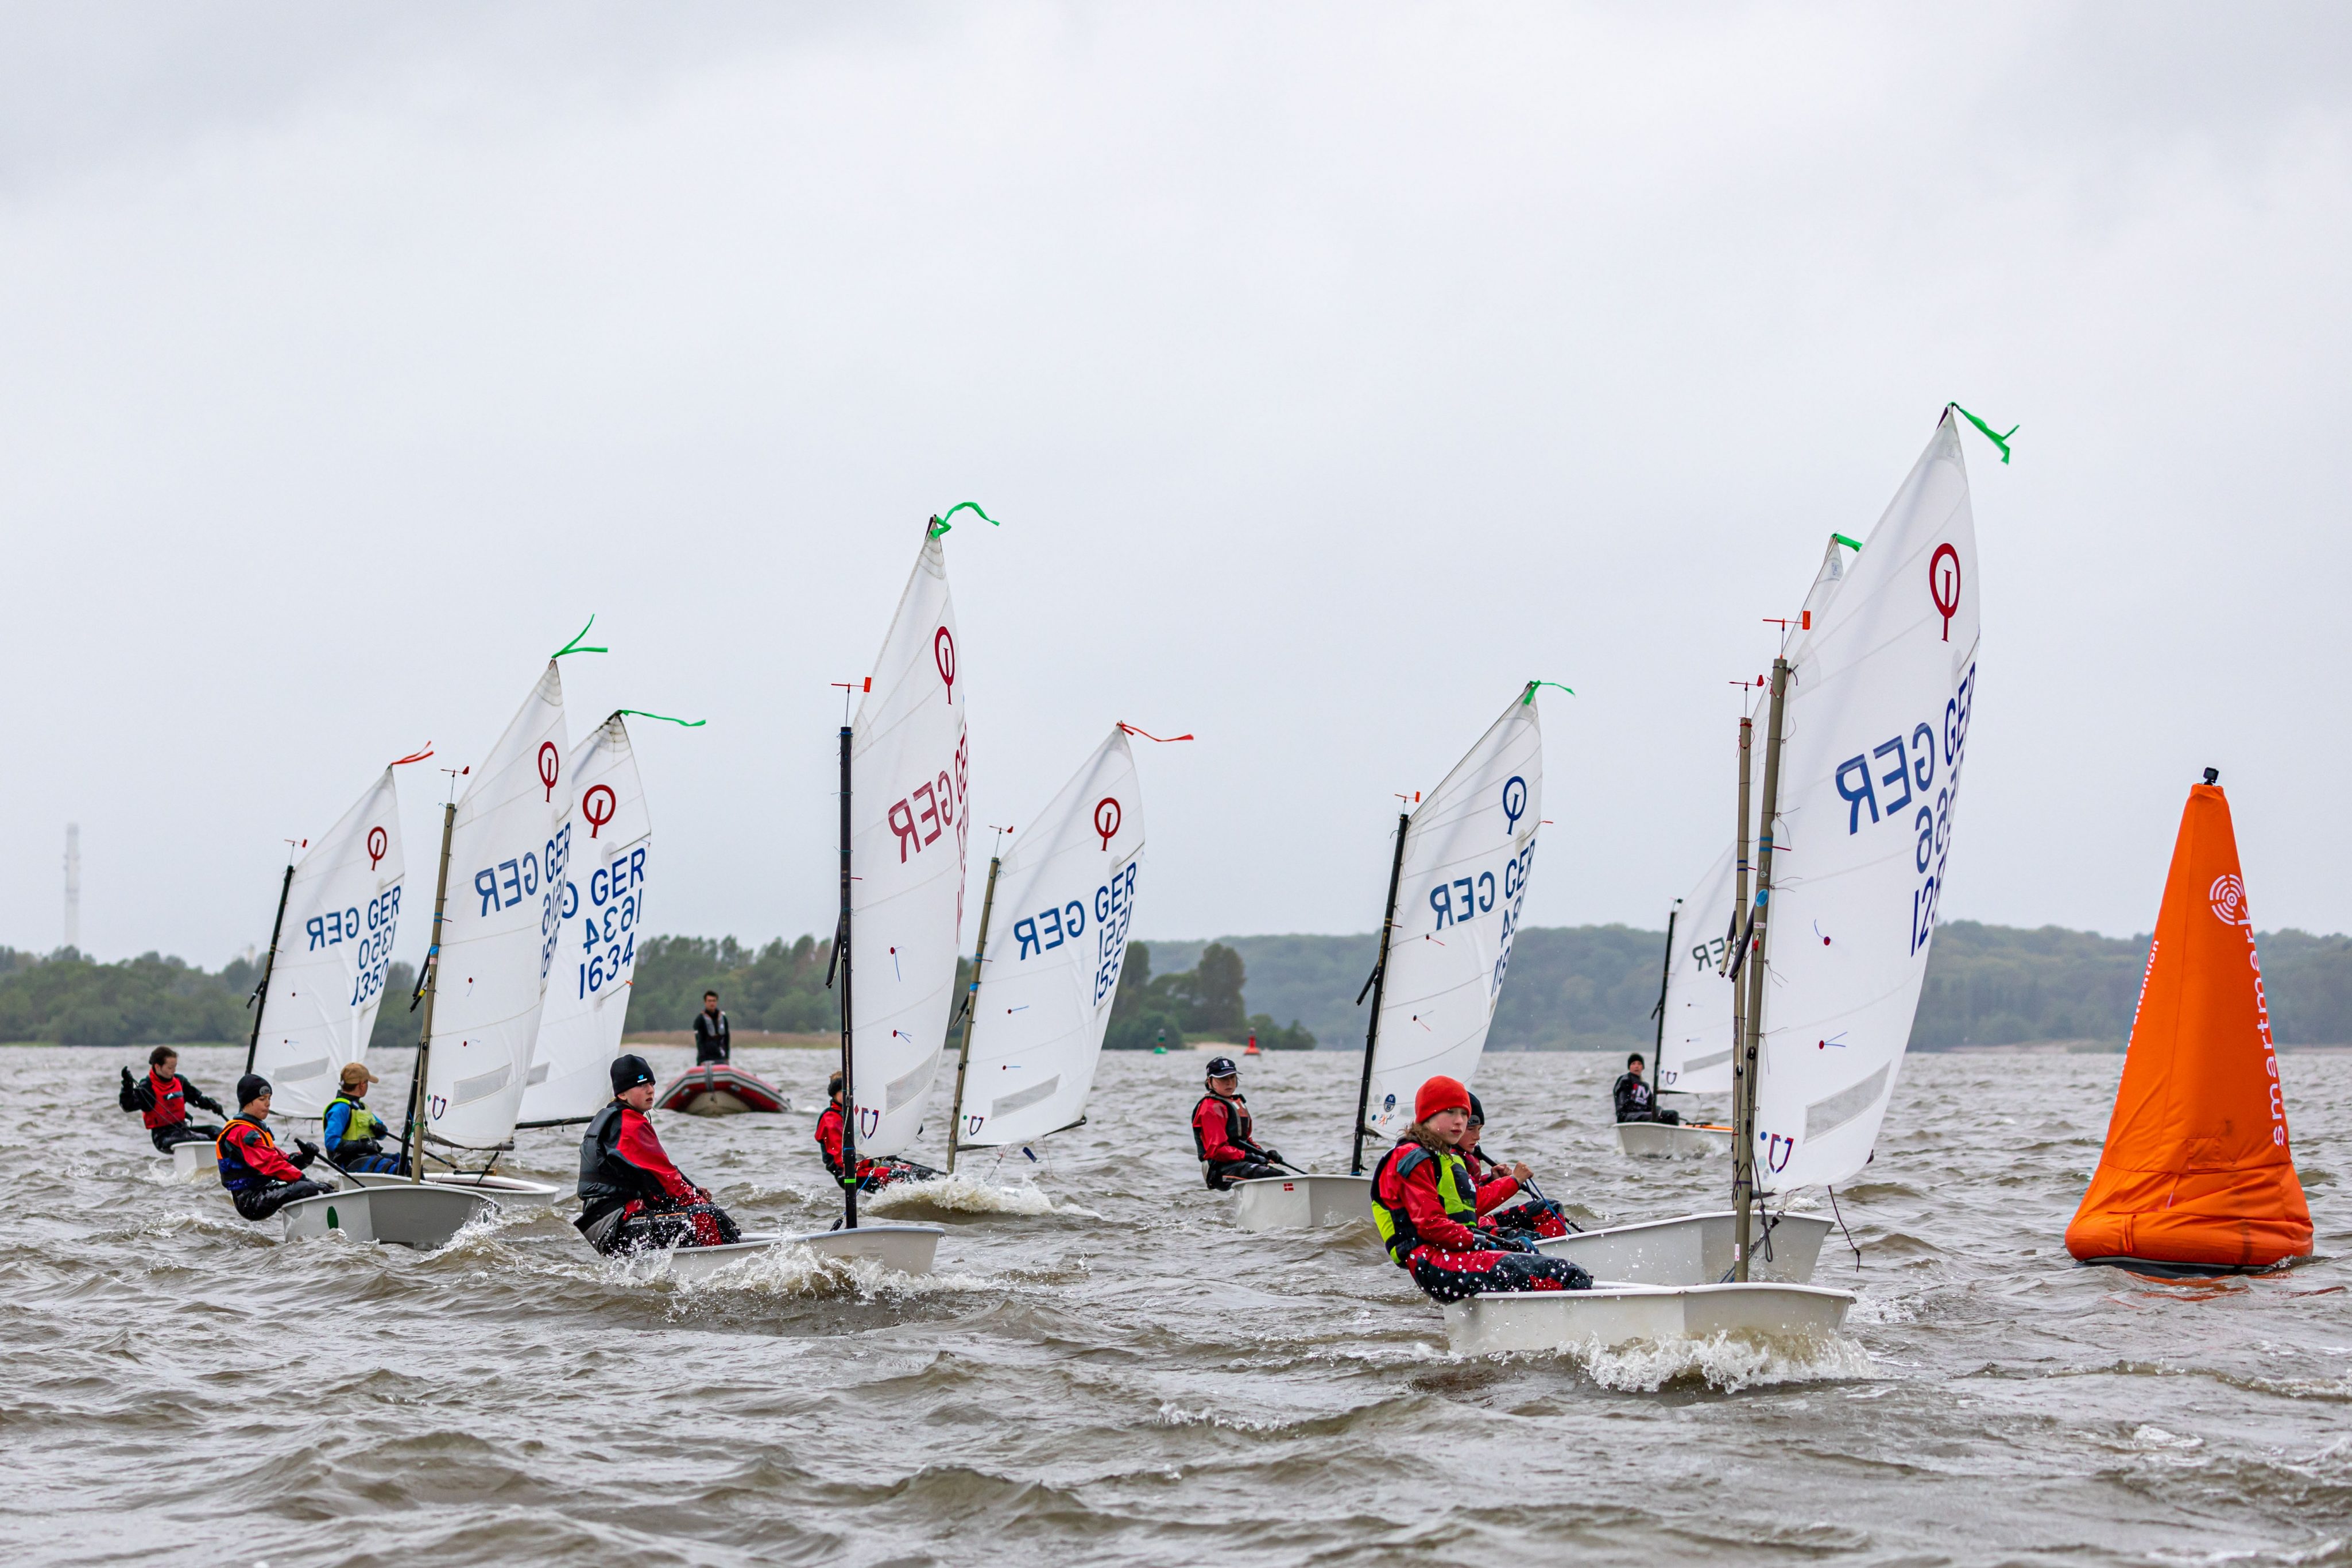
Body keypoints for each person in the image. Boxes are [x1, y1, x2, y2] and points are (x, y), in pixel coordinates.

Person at [1371, 1074, 1591, 1302]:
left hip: (1450, 1255)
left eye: (1464, 1114)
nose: (1460, 1121)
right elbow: (1431, 1226)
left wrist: (1494, 1241)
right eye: (1451, 1112)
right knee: (1566, 1275)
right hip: (1434, 1263)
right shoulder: (1413, 1157)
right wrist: (1486, 1241)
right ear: (1428, 1115)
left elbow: (1459, 1211)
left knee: (1532, 1254)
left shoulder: (1438, 1155)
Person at [575, 1054, 743, 1255]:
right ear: (622, 1095)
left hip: (609, 1225)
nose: (650, 1090)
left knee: (701, 1212)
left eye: (652, 1084)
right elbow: (669, 1183)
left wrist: (694, 1192)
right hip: (615, 1226)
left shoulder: (616, 1119)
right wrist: (698, 1201)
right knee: (707, 1215)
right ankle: (726, 1262)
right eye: (641, 1085)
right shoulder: (629, 1125)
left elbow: (654, 1181)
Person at [215, 1074, 332, 1222]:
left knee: (320, 1187)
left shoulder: (257, 1129)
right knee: (306, 1188)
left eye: (269, 1099)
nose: (268, 1104)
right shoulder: (242, 1132)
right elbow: (272, 1164)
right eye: (262, 1099)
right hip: (250, 1200)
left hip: (264, 1189)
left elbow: (282, 1161)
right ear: (247, 1102)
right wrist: (305, 1181)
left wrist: (305, 1157)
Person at [1459, 1093, 1575, 1242]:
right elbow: (1472, 1206)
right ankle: (1550, 1252)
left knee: (1551, 1209)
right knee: (1530, 1239)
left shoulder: (1463, 1155)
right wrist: (1514, 1180)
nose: (1477, 1137)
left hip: (1479, 1222)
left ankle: (1559, 1249)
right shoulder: (1449, 1160)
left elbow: (1466, 1191)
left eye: (1479, 1129)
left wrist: (1492, 1180)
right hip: (1468, 1231)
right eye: (1471, 1129)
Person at [815, 1071, 939, 1191]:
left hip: (868, 1166)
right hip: (851, 1173)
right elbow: (843, 1160)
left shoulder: (856, 1113)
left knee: (924, 1174)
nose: (849, 1094)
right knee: (905, 1177)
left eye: (851, 1091)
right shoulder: (831, 1119)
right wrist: (871, 1157)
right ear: (834, 1094)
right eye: (843, 1091)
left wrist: (883, 1152)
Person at [1191, 1056, 1286, 1189]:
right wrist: (1252, 1157)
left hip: (1238, 1163)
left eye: (1232, 1077)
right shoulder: (1210, 1108)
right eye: (1223, 1079)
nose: (1229, 1083)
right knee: (1274, 1177)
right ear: (1210, 1082)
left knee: (1282, 1176)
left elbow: (1244, 1141)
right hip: (1218, 1170)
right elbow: (1217, 1151)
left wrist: (1265, 1154)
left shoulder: (1234, 1103)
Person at [118, 1046, 226, 1151]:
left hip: (183, 1129)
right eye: (170, 1068)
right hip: (162, 1136)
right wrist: (127, 1085)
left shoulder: (180, 1081)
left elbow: (198, 1099)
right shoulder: (147, 1087)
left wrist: (212, 1105)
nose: (174, 1071)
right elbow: (128, 1106)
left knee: (221, 1133)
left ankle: (227, 1160)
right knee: (196, 1138)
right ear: (157, 1067)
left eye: (175, 1067)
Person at [322, 1062, 404, 1174]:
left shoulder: (361, 1107)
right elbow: (331, 1142)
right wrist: (362, 1146)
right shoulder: (340, 1109)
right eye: (367, 1083)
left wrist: (381, 1130)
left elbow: (383, 1135)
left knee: (407, 1162)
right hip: (351, 1162)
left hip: (368, 1157)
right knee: (398, 1169)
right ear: (362, 1085)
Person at [1612, 1052, 1681, 1125]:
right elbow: (1625, 1105)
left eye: (1639, 1064)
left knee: (1672, 1115)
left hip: (1641, 1115)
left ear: (1643, 1067)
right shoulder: (1625, 1081)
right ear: (1629, 1067)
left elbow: (1651, 1105)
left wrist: (1658, 1109)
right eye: (1633, 1064)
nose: (1636, 1066)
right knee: (1657, 1116)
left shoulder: (1645, 1086)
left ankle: (1669, 1131)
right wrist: (1645, 1110)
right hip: (1627, 1116)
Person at [693, 992, 731, 1064]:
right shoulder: (700, 1019)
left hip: (720, 1056)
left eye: (714, 1001)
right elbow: (699, 1041)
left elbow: (727, 1039)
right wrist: (702, 1061)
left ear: (717, 1002)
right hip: (705, 1057)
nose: (712, 1003)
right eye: (709, 1001)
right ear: (705, 1002)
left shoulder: (723, 1018)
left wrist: (727, 1057)